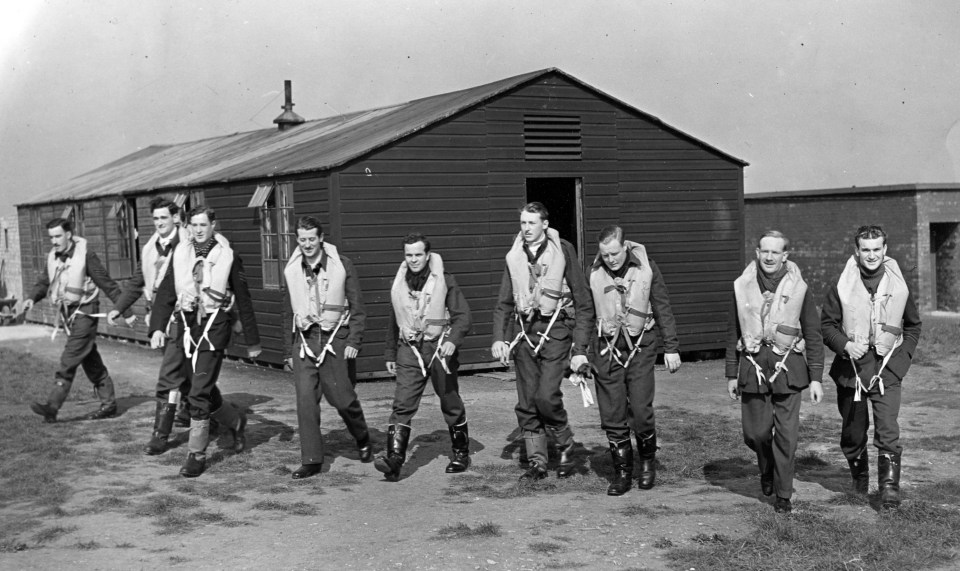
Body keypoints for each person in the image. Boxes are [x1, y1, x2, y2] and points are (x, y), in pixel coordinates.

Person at [149, 206, 260, 478]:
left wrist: (253, 341)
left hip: (214, 325)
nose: (198, 230)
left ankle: (196, 454)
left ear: (213, 225)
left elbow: (243, 298)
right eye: (194, 225)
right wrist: (157, 327)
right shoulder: (180, 253)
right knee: (196, 387)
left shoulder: (228, 256)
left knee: (199, 391)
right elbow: (165, 292)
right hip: (187, 326)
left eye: (203, 225)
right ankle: (234, 421)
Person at [108, 197, 223, 455]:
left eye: (164, 218)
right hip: (162, 319)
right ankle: (224, 417)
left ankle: (160, 435)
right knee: (190, 377)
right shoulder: (151, 248)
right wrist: (119, 307)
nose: (159, 223)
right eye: (155, 218)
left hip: (188, 319)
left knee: (170, 376)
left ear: (176, 219)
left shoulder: (189, 243)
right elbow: (138, 281)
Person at [491, 202, 595, 481]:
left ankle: (565, 445)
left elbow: (584, 302)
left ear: (545, 225)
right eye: (523, 223)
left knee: (546, 396)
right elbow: (504, 300)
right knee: (526, 402)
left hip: (557, 330)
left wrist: (580, 348)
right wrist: (499, 338)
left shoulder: (564, 250)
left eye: (531, 223)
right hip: (524, 333)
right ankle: (538, 462)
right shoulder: (515, 255)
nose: (526, 229)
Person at [821, 225, 921, 508]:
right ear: (857, 251)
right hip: (850, 369)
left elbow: (913, 326)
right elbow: (827, 326)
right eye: (866, 249)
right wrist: (845, 345)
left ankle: (889, 488)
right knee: (853, 432)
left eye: (877, 249)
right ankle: (859, 478)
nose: (872, 255)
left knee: (888, 428)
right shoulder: (840, 285)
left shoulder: (899, 285)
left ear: (885, 250)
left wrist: (901, 361)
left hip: (887, 369)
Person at [726, 230, 824, 514]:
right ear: (757, 253)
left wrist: (816, 377)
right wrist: (732, 373)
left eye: (775, 252)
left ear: (785, 256)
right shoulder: (741, 286)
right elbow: (732, 329)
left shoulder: (800, 288)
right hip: (753, 369)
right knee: (755, 435)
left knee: (786, 438)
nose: (769, 257)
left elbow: (813, 334)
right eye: (764, 251)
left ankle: (783, 494)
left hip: (788, 371)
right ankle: (766, 467)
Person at [587, 226, 681, 496]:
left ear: (625, 247)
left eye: (614, 253)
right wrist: (580, 351)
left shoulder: (647, 268)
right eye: (605, 255)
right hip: (606, 349)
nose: (611, 259)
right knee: (612, 413)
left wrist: (671, 347)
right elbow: (585, 313)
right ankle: (623, 473)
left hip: (641, 347)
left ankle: (647, 463)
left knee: (640, 409)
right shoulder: (593, 273)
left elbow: (662, 307)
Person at [375, 233, 473, 482]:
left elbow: (463, 317)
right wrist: (390, 353)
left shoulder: (445, 280)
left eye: (418, 254)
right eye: (409, 255)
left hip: (439, 348)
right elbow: (393, 319)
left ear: (428, 255)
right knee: (402, 404)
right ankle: (394, 460)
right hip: (409, 348)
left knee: (449, 401)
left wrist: (452, 341)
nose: (414, 259)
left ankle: (461, 453)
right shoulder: (400, 284)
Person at [282, 216, 372, 480]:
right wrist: (287, 351)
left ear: (321, 238)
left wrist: (354, 341)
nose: (307, 244)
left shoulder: (342, 265)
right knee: (306, 401)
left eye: (312, 238)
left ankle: (362, 436)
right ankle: (311, 460)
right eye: (302, 239)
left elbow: (358, 308)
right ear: (297, 240)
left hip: (335, 338)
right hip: (304, 340)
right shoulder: (292, 269)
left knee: (341, 398)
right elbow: (286, 310)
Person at [25, 217, 127, 422]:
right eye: (51, 237)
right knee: (89, 357)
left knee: (69, 357)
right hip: (68, 314)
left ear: (69, 235)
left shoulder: (86, 255)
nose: (54, 241)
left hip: (86, 313)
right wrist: (31, 298)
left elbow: (106, 283)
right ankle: (109, 404)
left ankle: (52, 406)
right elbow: (45, 282)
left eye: (58, 236)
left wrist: (125, 309)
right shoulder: (53, 257)